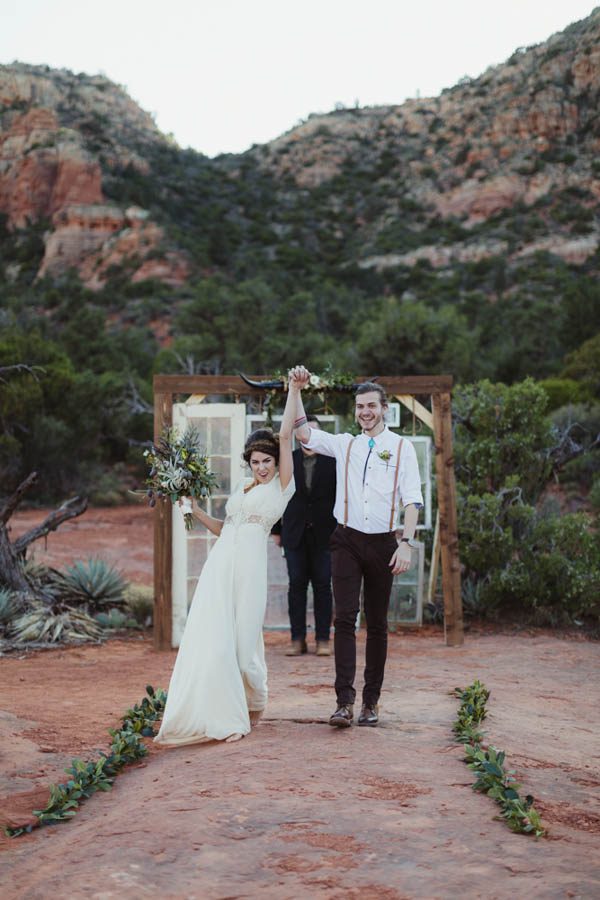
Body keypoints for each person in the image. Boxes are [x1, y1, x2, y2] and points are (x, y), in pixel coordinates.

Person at [154, 380, 297, 747]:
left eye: (267, 461)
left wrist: (293, 390)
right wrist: (197, 510)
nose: (261, 467)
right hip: (220, 567)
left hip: (249, 570)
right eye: (255, 462)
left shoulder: (282, 487)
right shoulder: (241, 490)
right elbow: (226, 529)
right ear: (247, 463)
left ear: (277, 462)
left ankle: (256, 700)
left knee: (245, 642)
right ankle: (229, 710)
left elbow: (284, 437)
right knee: (216, 639)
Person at [288, 367, 423, 728]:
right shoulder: (345, 443)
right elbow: (303, 432)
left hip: (383, 544)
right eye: (360, 406)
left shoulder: (402, 448)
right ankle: (343, 704)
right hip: (345, 539)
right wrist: (296, 389)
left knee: (377, 624)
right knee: (344, 618)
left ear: (384, 409)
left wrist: (406, 543)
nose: (365, 411)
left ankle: (371, 703)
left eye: (371, 406)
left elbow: (412, 500)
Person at [272, 416, 337, 657]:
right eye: (304, 432)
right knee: (296, 586)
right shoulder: (288, 460)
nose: (308, 436)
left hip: (325, 534)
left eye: (313, 432)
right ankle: (297, 639)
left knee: (323, 586)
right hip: (294, 533)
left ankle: (323, 639)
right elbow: (279, 496)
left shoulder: (333, 461)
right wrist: (277, 530)